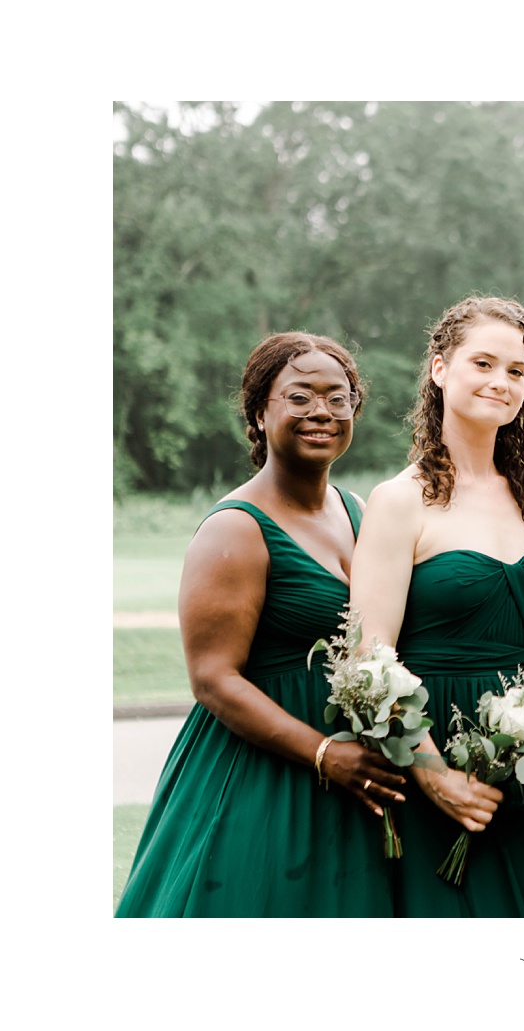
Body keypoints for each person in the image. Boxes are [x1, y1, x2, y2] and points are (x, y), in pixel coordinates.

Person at [116, 333, 405, 917]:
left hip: (356, 777)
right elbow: (213, 678)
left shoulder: (359, 512)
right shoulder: (235, 529)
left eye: (338, 397)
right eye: (299, 397)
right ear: (258, 412)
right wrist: (325, 753)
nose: (321, 411)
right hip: (261, 773)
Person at [348, 295, 524, 917]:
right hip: (432, 749)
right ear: (440, 369)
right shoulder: (401, 500)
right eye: (483, 363)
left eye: (516, 371)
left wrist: (521, 715)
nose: (501, 382)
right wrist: (430, 770)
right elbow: (369, 655)